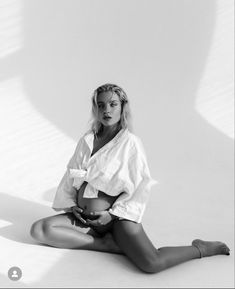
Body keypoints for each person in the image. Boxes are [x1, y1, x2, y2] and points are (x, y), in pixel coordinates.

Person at [30, 83, 230, 273]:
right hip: (85, 217)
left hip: (116, 219)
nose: (106, 110)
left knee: (152, 263)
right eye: (101, 105)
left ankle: (200, 248)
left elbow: (140, 186)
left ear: (122, 107)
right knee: (39, 229)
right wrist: (72, 205)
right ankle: (105, 245)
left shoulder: (130, 144)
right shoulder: (87, 140)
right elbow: (70, 175)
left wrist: (112, 215)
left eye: (112, 104)